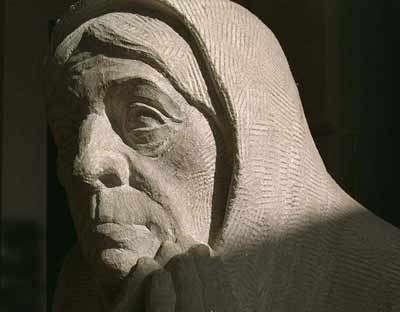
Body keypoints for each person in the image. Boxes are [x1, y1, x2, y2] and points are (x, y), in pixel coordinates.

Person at [45, 1, 400, 311]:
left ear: (246, 138)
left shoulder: (387, 285)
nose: (85, 164)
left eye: (144, 118)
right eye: (68, 132)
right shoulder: (79, 289)